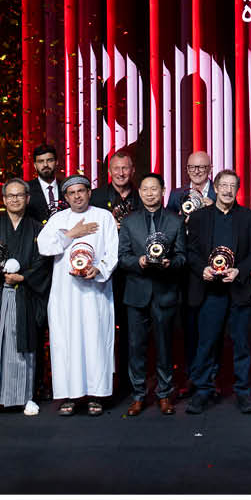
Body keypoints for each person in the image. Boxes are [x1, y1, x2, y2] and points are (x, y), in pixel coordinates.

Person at [37, 175, 120, 416]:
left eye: (81, 191)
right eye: (71, 193)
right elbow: (44, 246)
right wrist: (72, 233)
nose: (77, 196)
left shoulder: (103, 217)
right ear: (65, 197)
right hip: (66, 295)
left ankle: (97, 395)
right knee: (66, 343)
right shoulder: (58, 220)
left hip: (95, 293)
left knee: (95, 341)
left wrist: (100, 269)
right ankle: (69, 396)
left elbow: (113, 252)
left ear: (89, 192)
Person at [184, 169, 251, 413]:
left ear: (237, 190)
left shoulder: (248, 217)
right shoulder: (199, 217)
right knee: (206, 343)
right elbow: (190, 251)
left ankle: (243, 393)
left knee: (241, 344)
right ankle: (202, 391)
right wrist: (202, 269)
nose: (228, 190)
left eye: (232, 186)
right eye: (223, 185)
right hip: (210, 290)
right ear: (215, 188)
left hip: (237, 289)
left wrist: (240, 270)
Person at [0, 179, 49, 417]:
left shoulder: (38, 229)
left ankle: (26, 397)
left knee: (22, 345)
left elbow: (43, 263)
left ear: (27, 198)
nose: (15, 199)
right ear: (3, 200)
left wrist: (23, 277)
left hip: (24, 294)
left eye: (19, 195)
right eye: (10, 196)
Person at [118, 173, 187, 415]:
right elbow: (122, 257)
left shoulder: (175, 221)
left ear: (163, 191)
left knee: (165, 346)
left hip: (165, 291)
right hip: (137, 293)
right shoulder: (129, 222)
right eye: (145, 189)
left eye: (154, 189)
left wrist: (171, 264)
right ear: (140, 192)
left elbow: (182, 257)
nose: (149, 193)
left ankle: (164, 394)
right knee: (136, 347)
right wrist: (139, 261)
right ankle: (138, 395)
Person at [167, 148, 219, 394]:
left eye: (202, 167)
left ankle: (213, 376)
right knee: (189, 325)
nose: (197, 172)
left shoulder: (220, 192)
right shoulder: (177, 195)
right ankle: (191, 376)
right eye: (192, 168)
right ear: (187, 170)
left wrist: (213, 209)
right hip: (187, 269)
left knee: (215, 324)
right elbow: (165, 228)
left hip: (215, 266)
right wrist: (180, 220)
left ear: (210, 169)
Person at [92, 149, 139, 396]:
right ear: (109, 172)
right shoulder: (96, 197)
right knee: (102, 330)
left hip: (134, 274)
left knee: (133, 332)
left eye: (125, 168)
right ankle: (103, 384)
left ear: (132, 171)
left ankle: (131, 384)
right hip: (102, 275)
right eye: (116, 169)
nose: (121, 173)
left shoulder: (142, 196)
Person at [24, 144, 65, 224]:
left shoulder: (67, 187)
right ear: (35, 165)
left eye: (49, 160)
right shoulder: (26, 189)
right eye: (40, 161)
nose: (45, 165)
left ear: (56, 162)